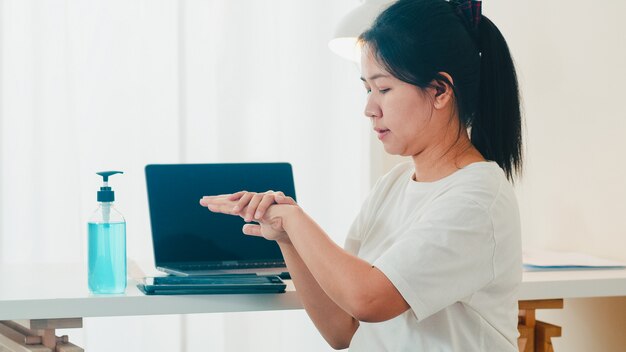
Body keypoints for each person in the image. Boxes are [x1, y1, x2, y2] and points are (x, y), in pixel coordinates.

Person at [200, 0, 523, 350]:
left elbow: (368, 300)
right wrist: (286, 237)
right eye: (367, 89)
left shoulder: (477, 197)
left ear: (440, 91)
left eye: (383, 88)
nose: (369, 109)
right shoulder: (394, 186)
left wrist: (294, 219)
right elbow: (341, 328)